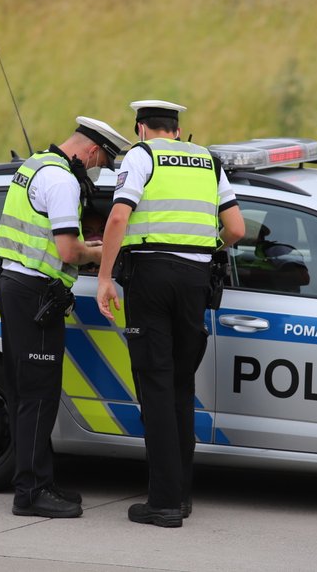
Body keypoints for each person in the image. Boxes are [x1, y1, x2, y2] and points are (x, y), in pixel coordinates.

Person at [96, 99, 244, 527]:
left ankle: (162, 503)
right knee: (180, 387)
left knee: (155, 387)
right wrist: (201, 252)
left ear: (141, 128)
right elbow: (235, 229)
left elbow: (119, 217)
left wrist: (105, 277)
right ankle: (180, 495)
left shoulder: (142, 157)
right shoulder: (208, 162)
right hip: (195, 281)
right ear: (178, 131)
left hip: (151, 279)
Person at [0, 116, 130, 518]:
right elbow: (68, 251)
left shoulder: (33, 165)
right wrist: (102, 250)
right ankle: (32, 493)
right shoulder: (62, 181)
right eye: (101, 161)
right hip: (35, 293)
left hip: (15, 286)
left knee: (24, 393)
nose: (97, 169)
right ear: (90, 151)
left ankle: (38, 480)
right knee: (38, 395)